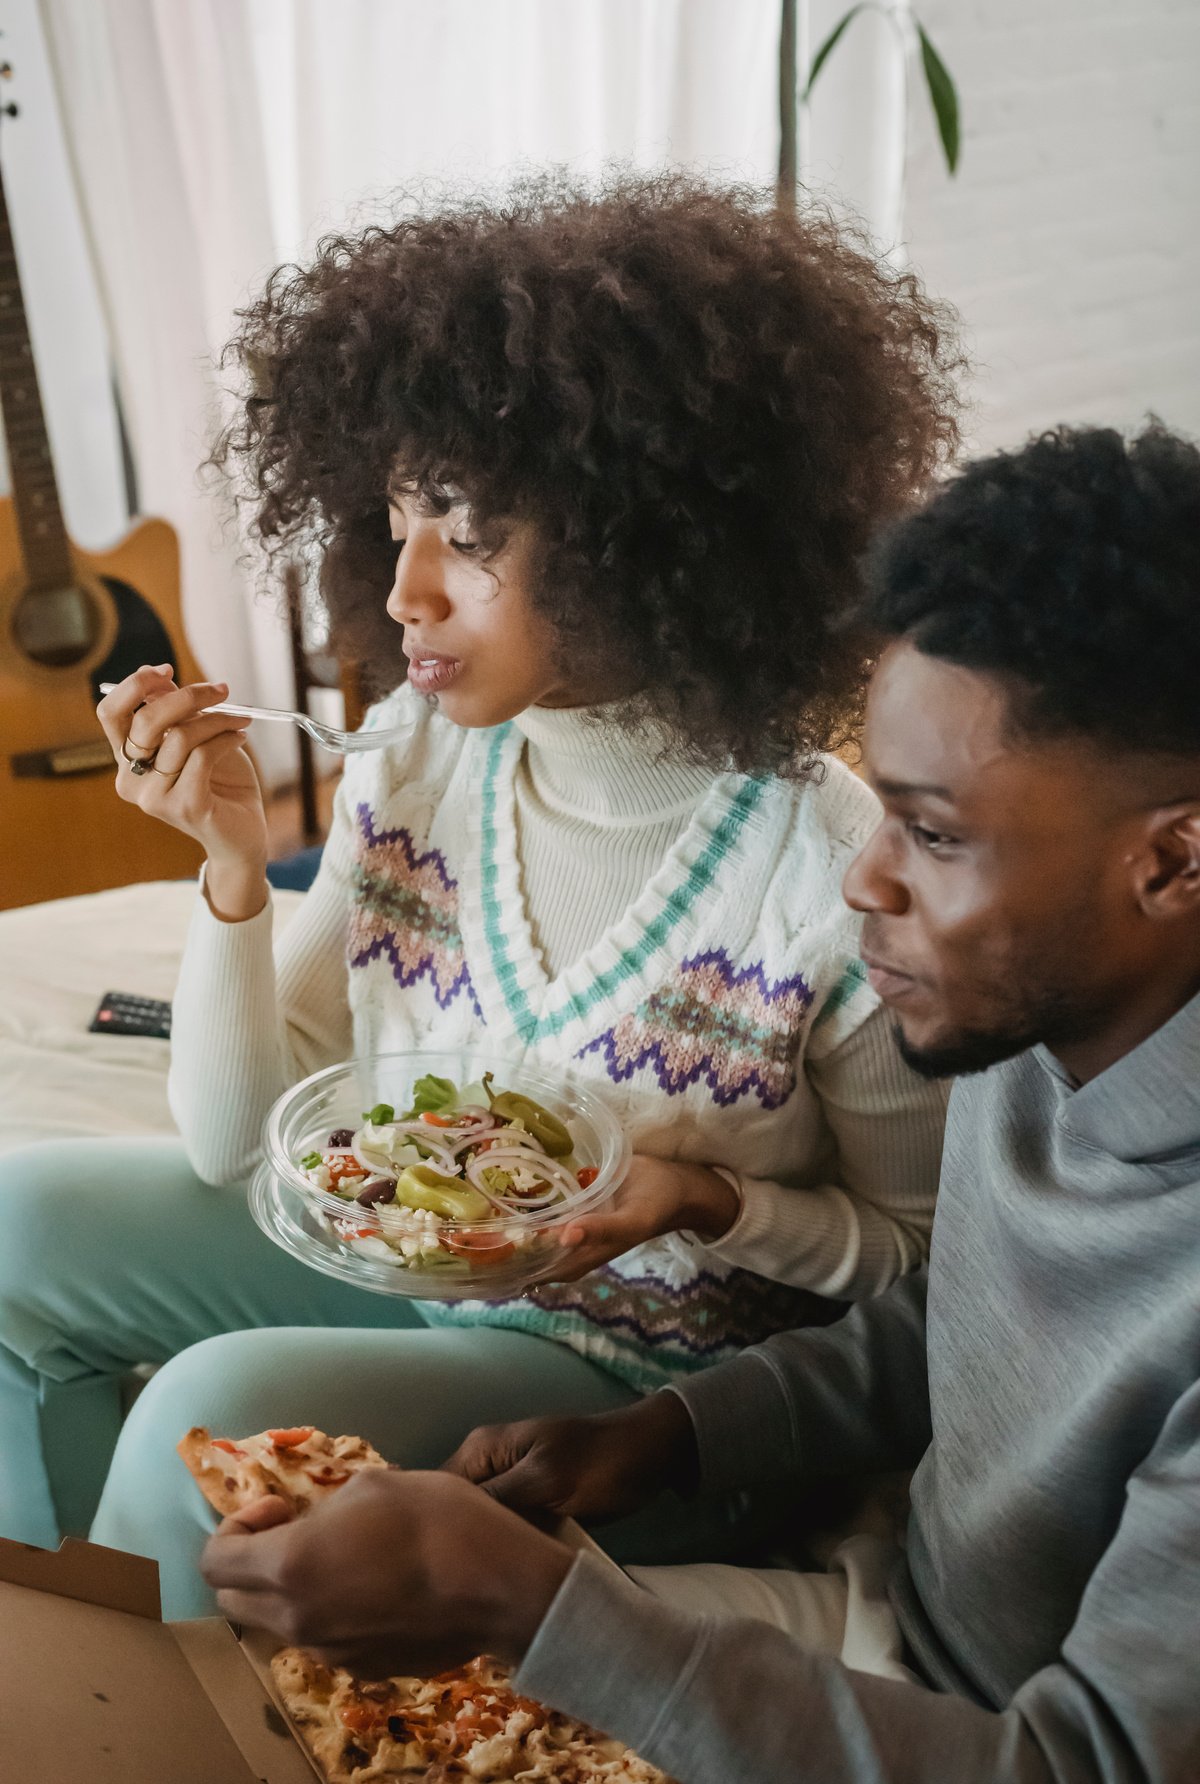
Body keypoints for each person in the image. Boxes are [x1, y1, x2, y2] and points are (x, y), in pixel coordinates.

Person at [0, 176, 960, 1600]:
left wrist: (709, 1203)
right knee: (14, 1227)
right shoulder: (415, 763)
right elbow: (236, 1150)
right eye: (396, 524)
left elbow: (923, 1279)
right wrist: (231, 876)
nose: (404, 593)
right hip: (417, 1281)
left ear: (655, 539)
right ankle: (99, 1664)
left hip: (647, 1408)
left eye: (471, 535)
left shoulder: (827, 879)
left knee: (198, 1422)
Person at [205, 423, 1200, 1783]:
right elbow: (956, 1320)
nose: (865, 883)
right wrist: (662, 1438)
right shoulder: (1043, 1026)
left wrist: (535, 1605)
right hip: (877, 1616)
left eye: (935, 833)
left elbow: (1082, 1765)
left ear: (1176, 859)